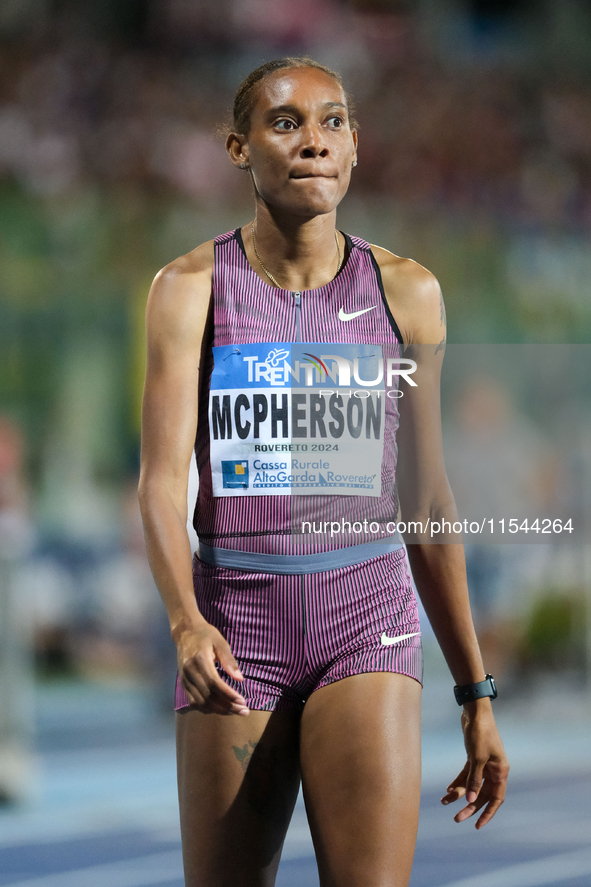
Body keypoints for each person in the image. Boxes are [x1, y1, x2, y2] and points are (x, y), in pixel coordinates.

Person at [138, 57, 509, 887]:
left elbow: (425, 498)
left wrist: (474, 689)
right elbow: (162, 481)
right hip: (236, 629)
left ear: (354, 150)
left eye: (332, 122)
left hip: (365, 619)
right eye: (285, 123)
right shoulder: (188, 290)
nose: (313, 142)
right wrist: (186, 624)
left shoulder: (405, 292)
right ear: (238, 148)